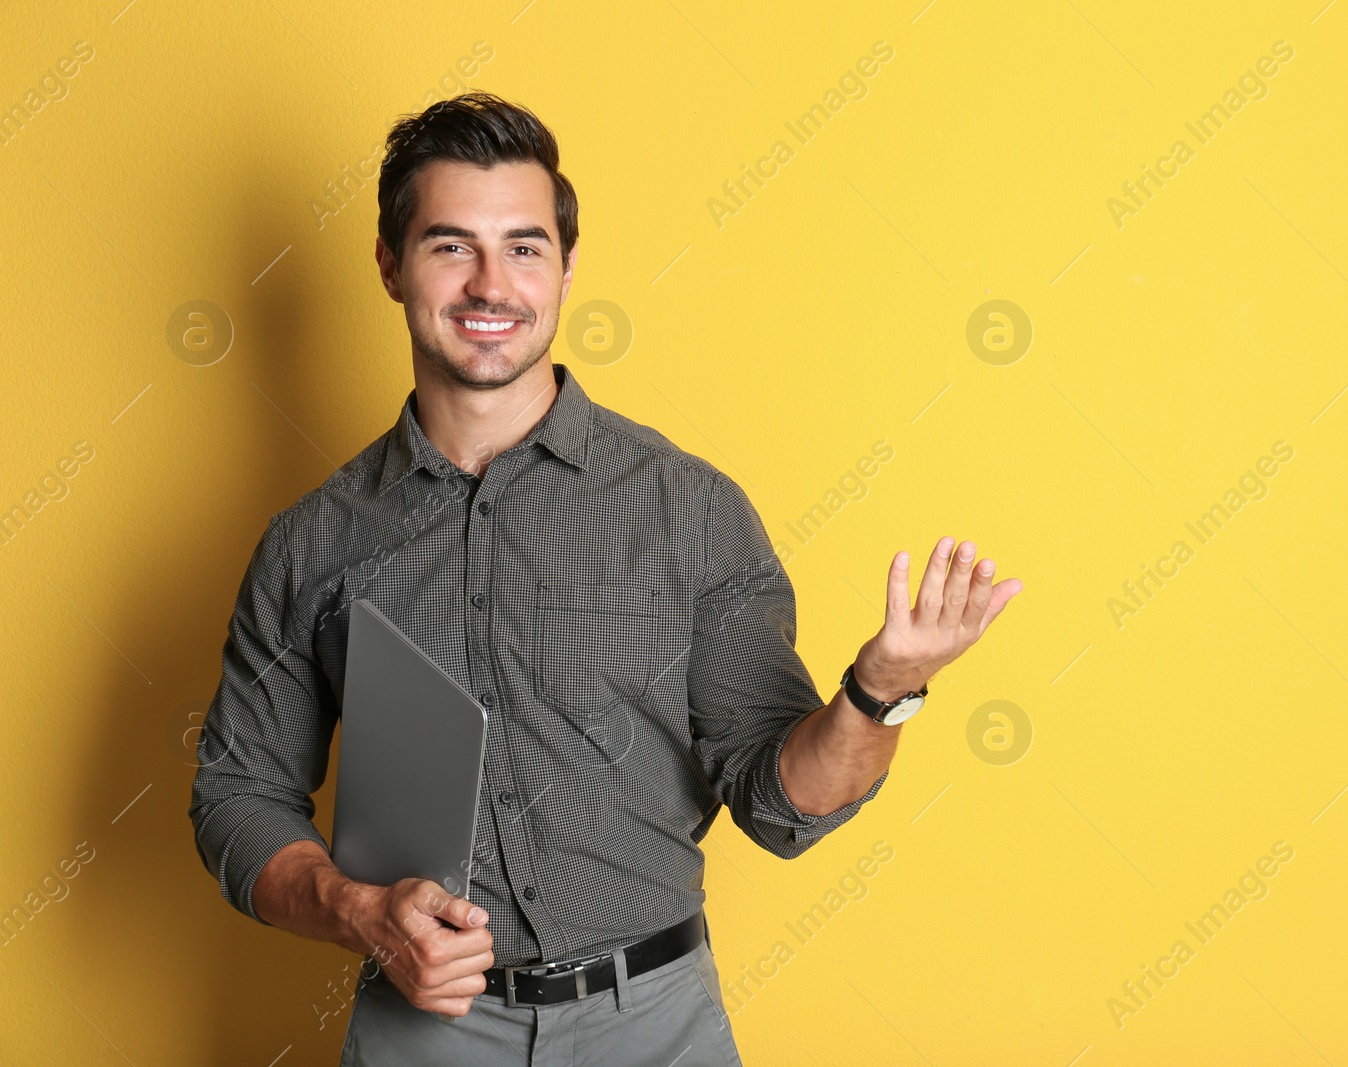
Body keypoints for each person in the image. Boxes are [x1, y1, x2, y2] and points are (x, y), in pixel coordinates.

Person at [187, 91, 1023, 1065]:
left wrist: (879, 691)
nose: (490, 284)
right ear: (389, 264)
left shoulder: (690, 509)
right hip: (422, 1035)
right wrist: (357, 908)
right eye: (451, 246)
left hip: (655, 1027)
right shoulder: (311, 542)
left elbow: (778, 803)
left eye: (525, 247)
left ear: (567, 266)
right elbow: (239, 793)